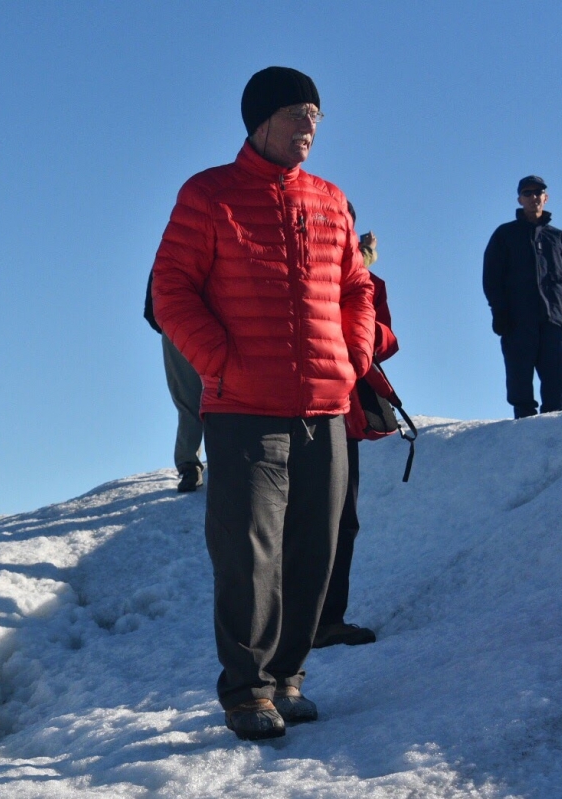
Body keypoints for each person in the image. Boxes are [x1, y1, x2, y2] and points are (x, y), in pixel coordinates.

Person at [151, 66, 375, 740]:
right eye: (297, 113)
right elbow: (171, 290)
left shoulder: (332, 201)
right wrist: (221, 362)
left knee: (316, 549)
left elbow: (357, 289)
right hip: (244, 409)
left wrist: (354, 356)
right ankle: (246, 690)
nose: (310, 125)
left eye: (317, 114)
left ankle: (286, 677)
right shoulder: (208, 195)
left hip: (325, 408)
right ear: (260, 121)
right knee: (248, 552)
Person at [314, 208, 398, 649]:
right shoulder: (296, 269)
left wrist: (362, 333)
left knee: (342, 520)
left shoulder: (368, 283)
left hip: (343, 416)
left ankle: (327, 619)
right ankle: (296, 623)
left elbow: (387, 339)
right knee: (290, 521)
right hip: (289, 412)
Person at [483, 176, 562, 419]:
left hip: (554, 321)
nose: (533, 197)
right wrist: (499, 312)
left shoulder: (558, 237)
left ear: (545, 198)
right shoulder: (505, 235)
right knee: (519, 380)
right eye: (527, 193)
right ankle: (525, 427)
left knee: (558, 377)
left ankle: (552, 425)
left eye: (538, 192)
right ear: (520, 199)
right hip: (518, 322)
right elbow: (492, 278)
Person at [144, 270, 204, 492]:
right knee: (194, 398)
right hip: (178, 321)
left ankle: (192, 464)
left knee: (196, 399)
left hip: (180, 320)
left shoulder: (172, 242)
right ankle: (191, 465)